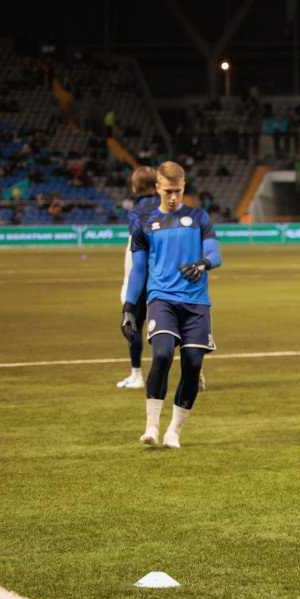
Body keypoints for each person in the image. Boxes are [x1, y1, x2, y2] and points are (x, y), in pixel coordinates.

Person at [120, 161, 223, 449]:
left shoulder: (199, 217)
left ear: (184, 187)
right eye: (168, 191)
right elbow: (138, 271)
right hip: (161, 299)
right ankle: (152, 426)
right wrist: (129, 308)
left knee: (192, 363)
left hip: (196, 304)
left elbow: (216, 254)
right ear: (157, 188)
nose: (174, 197)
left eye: (178, 191)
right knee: (163, 354)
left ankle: (173, 432)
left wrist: (203, 263)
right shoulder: (145, 224)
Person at [116, 166, 160, 389]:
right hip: (165, 274)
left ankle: (136, 375)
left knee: (133, 322)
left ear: (135, 188)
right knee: (171, 323)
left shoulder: (135, 213)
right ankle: (193, 365)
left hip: (143, 274)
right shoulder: (169, 206)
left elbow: (137, 248)